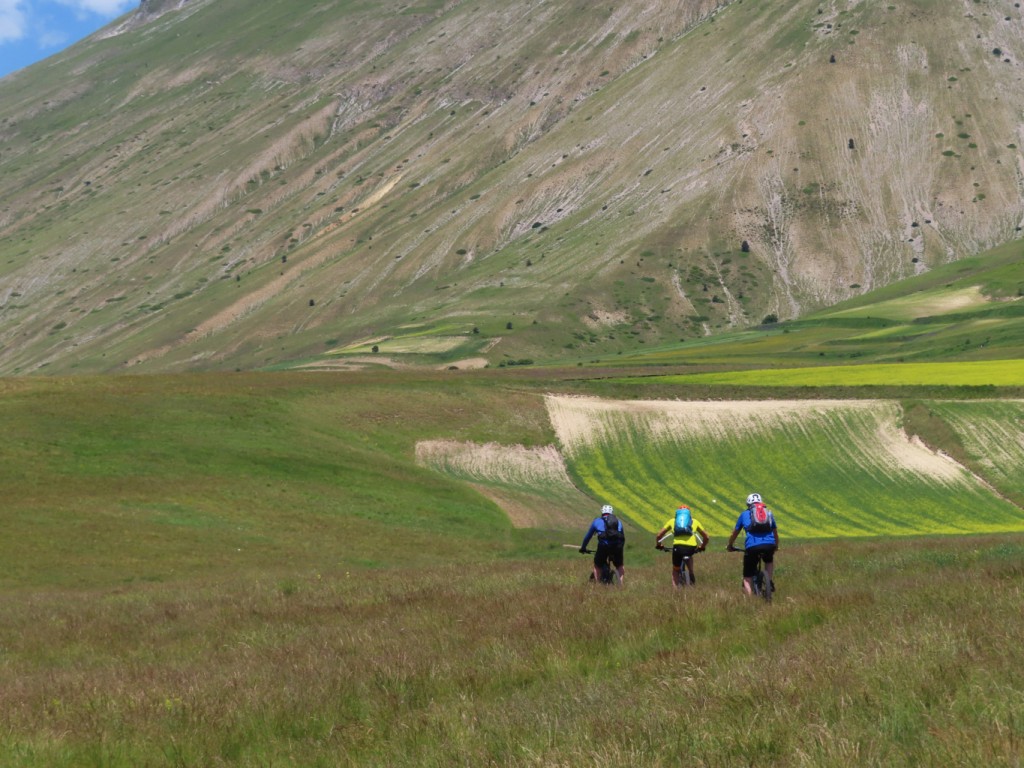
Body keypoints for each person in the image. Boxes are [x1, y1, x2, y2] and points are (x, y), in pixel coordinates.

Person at [726, 492, 779, 596]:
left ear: (748, 504)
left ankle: (750, 600)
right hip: (769, 545)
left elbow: (734, 533)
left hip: (752, 546)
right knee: (768, 560)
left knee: (747, 577)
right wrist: (775, 545)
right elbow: (775, 533)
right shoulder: (768, 513)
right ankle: (769, 579)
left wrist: (730, 545)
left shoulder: (744, 514)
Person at [655, 504, 709, 587]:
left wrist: (659, 545)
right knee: (689, 555)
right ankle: (691, 572)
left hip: (678, 547)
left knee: (675, 570)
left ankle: (675, 591)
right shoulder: (694, 521)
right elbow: (706, 537)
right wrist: (702, 546)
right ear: (689, 514)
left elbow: (659, 536)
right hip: (691, 548)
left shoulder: (672, 521)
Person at [580, 504, 625, 585]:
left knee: (597, 565)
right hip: (617, 546)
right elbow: (622, 537)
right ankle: (620, 585)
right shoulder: (618, 522)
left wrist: (583, 547)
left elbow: (588, 536)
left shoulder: (597, 521)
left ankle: (597, 585)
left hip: (604, 546)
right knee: (619, 565)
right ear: (611, 512)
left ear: (602, 512)